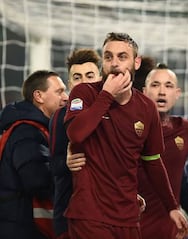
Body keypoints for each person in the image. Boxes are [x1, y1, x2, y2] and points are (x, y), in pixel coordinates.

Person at [63, 32, 188, 239]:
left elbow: (153, 162)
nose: (114, 63)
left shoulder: (146, 107)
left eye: (122, 57)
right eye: (108, 57)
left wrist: (172, 207)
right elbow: (76, 134)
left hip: (128, 216)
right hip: (90, 215)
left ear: (136, 63)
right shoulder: (84, 93)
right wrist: (107, 95)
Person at [137, 63, 188, 238]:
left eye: (168, 86)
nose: (162, 91)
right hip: (132, 229)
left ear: (177, 94)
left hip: (171, 231)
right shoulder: (131, 129)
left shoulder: (185, 130)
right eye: (155, 85)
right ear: (144, 92)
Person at [0, 70, 68, 239]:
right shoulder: (27, 132)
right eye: (59, 91)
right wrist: (67, 166)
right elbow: (38, 180)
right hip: (21, 228)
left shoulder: (33, 128)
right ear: (39, 96)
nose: (66, 97)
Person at [49, 49, 101, 239]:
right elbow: (53, 165)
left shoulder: (113, 113)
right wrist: (67, 163)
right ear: (70, 83)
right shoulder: (61, 117)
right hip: (71, 218)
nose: (84, 82)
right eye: (77, 77)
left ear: (100, 78)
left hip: (110, 215)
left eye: (90, 76)